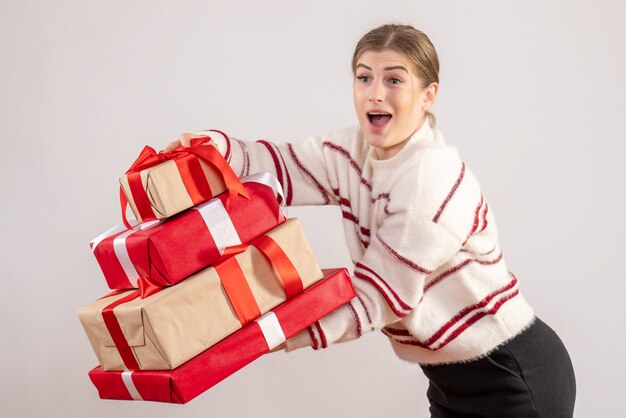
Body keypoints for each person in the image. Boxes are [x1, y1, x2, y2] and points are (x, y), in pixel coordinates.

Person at [165, 24, 576, 418]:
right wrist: (211, 149)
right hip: (448, 379)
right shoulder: (352, 149)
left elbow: (377, 298)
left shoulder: (429, 180)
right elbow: (281, 166)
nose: (375, 94)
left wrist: (253, 333)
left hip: (511, 376)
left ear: (428, 94)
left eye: (394, 80)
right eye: (364, 78)